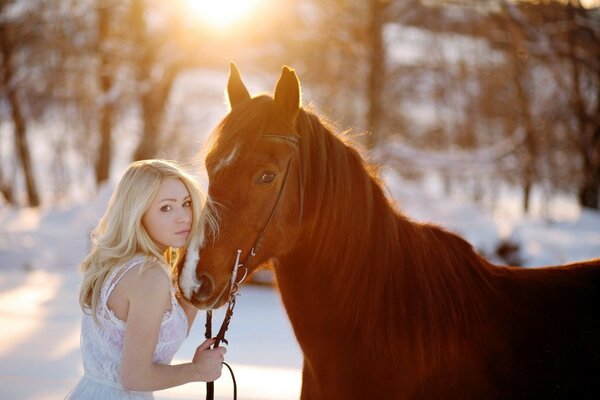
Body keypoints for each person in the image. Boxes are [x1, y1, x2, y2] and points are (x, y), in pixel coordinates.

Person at [66, 159, 225, 399]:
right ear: (137, 213)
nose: (184, 217)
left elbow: (173, 324)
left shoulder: (124, 264)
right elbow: (135, 378)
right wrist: (197, 371)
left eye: (186, 203)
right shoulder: (148, 276)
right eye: (166, 208)